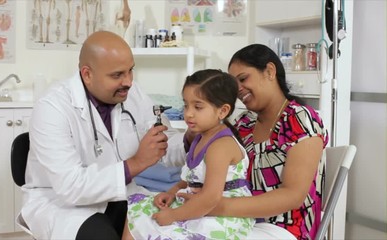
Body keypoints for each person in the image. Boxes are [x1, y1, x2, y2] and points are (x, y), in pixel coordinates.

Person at [20, 31, 189, 240]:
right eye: (117, 75)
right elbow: (71, 186)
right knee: (100, 236)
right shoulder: (52, 108)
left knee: (170, 227)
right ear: (87, 74)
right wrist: (136, 163)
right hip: (63, 205)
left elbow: (163, 143)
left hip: (121, 194)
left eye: (131, 71)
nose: (128, 81)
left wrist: (192, 140)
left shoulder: (132, 93)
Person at [178, 44, 329, 240]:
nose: (238, 90)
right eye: (234, 84)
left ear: (269, 71)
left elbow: (293, 196)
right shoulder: (245, 123)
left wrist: (213, 206)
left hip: (286, 228)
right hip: (239, 221)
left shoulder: (299, 119)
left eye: (242, 79)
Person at [123, 69, 255, 239]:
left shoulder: (220, 146)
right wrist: (171, 193)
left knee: (165, 228)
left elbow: (210, 198)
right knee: (138, 210)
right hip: (197, 202)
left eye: (198, 107)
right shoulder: (200, 138)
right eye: (186, 105)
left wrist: (173, 215)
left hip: (221, 215)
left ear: (222, 111)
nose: (188, 113)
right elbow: (190, 180)